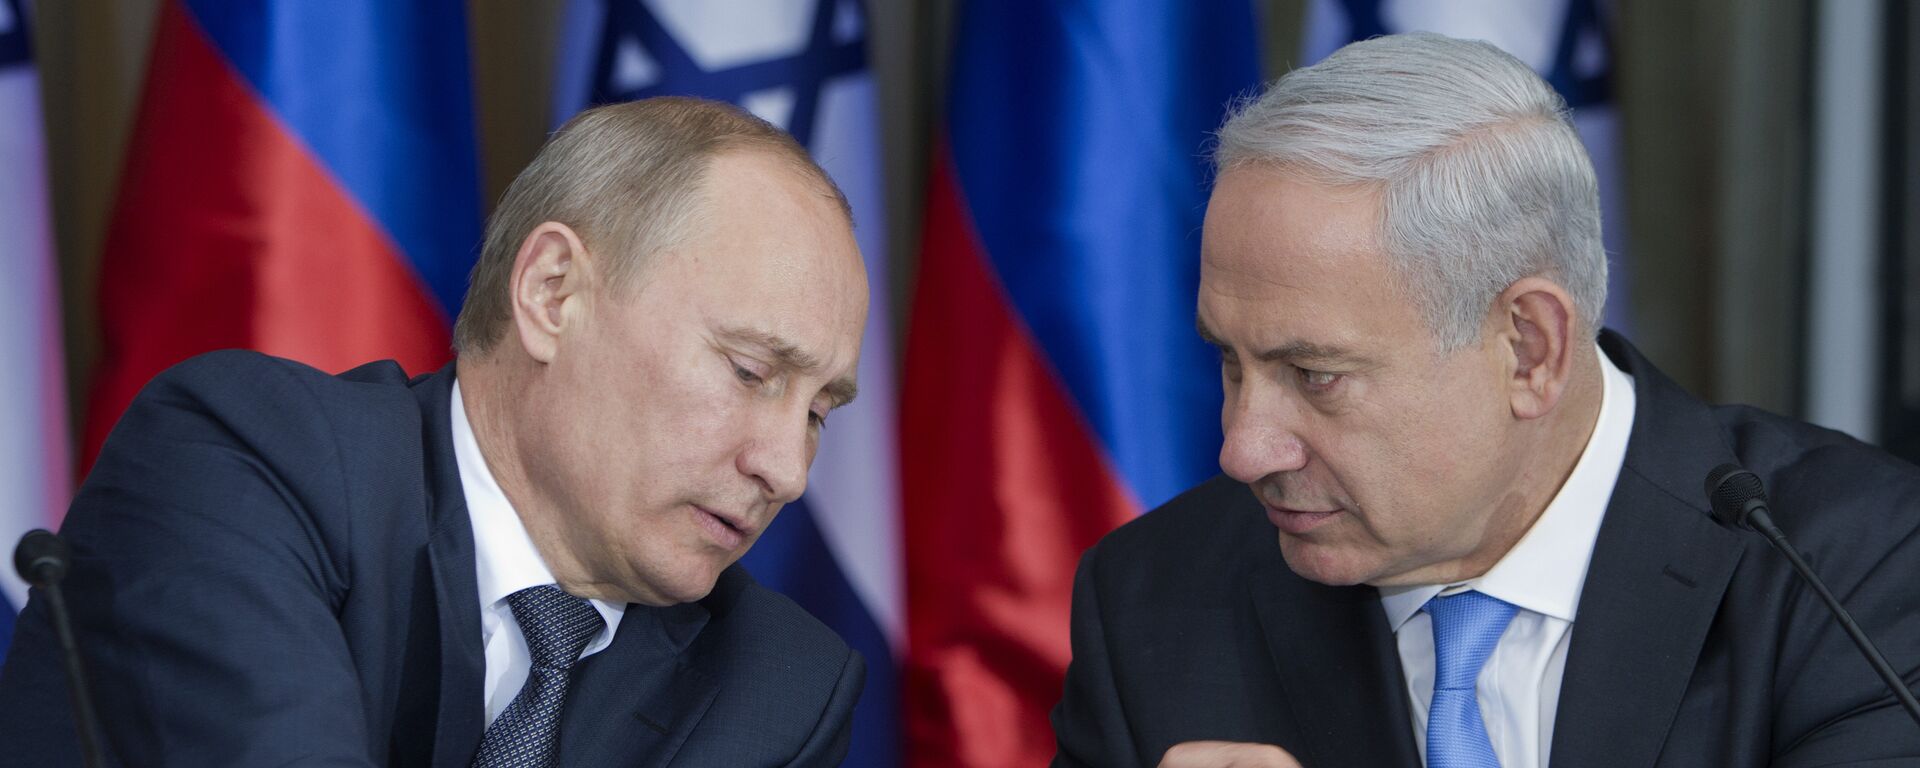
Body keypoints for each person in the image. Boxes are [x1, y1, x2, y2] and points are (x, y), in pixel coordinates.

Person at [1051, 33, 1920, 768]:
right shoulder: (1152, 603)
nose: (1242, 449)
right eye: (1230, 363)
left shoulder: (1852, 573)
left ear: (1529, 350)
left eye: (1315, 375)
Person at [0, 96, 870, 766]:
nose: (788, 470)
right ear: (553, 294)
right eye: (749, 372)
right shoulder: (241, 464)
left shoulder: (775, 689)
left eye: (818, 413)